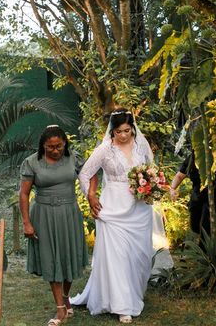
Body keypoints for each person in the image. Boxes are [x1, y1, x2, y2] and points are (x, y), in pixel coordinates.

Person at [71, 108, 155, 323]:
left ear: (132, 128)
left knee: (138, 256)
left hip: (139, 208)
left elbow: (152, 169)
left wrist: (152, 188)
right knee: (117, 256)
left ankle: (133, 293)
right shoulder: (105, 149)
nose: (124, 135)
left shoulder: (140, 145)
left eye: (127, 130)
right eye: (118, 131)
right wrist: (91, 196)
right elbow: (86, 173)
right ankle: (121, 305)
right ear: (112, 131)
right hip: (112, 208)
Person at [19, 125, 89, 326]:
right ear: (43, 146)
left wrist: (92, 195)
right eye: (50, 147)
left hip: (69, 214)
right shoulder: (32, 162)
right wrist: (26, 223)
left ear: (65, 143)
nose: (55, 150)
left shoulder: (73, 158)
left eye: (59, 146)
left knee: (68, 256)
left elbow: (91, 175)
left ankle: (66, 296)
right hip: (44, 215)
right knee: (51, 258)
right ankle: (60, 309)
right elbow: (24, 194)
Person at [170, 151, 216, 238]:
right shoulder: (192, 158)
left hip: (214, 196)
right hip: (197, 196)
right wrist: (172, 189)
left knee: (205, 227)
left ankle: (205, 250)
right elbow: (180, 176)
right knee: (195, 226)